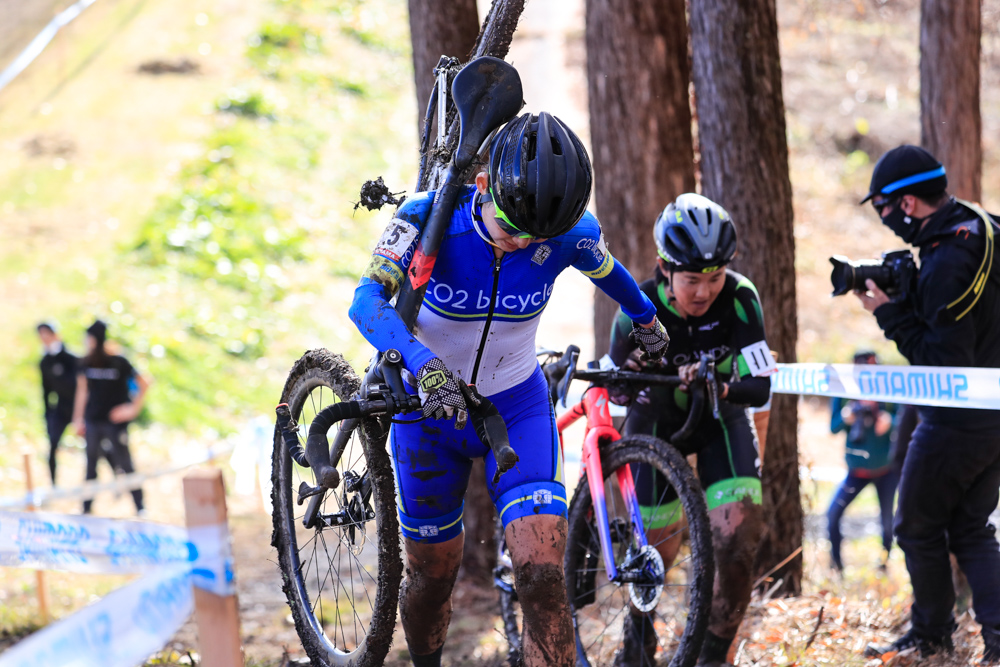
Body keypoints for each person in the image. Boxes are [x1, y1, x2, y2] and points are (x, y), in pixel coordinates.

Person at [348, 112, 668, 667]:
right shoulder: (426, 219)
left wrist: (646, 316)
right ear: (481, 187)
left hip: (517, 407)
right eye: (513, 227)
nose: (523, 244)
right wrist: (422, 364)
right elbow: (365, 303)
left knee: (543, 578)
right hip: (428, 417)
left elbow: (608, 271)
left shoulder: (570, 231)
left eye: (538, 237)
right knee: (430, 578)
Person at [608, 193, 773, 667]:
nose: (704, 292)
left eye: (715, 277)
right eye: (692, 280)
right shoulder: (636, 307)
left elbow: (759, 388)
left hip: (719, 422)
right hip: (655, 428)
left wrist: (719, 383)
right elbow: (615, 394)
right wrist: (632, 371)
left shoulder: (740, 298)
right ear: (664, 268)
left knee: (739, 545)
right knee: (653, 556)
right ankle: (639, 639)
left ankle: (712, 655)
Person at [854, 145, 1000, 664]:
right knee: (969, 528)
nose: (889, 222)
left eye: (885, 210)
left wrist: (888, 313)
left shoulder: (947, 260)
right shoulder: (982, 224)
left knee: (915, 526)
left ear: (909, 203)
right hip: (994, 410)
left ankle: (933, 636)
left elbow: (942, 360)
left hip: (958, 418)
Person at [826, 350, 898, 573]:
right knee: (832, 514)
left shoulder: (889, 391)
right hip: (856, 470)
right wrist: (847, 416)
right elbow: (833, 427)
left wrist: (890, 422)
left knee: (888, 523)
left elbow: (906, 418)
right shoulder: (845, 391)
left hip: (886, 469)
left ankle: (883, 566)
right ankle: (836, 565)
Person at [72, 320, 152, 516]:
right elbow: (83, 391)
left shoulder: (119, 361)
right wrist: (78, 418)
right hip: (93, 421)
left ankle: (140, 508)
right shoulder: (86, 362)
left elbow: (144, 382)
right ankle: (86, 509)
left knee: (126, 464)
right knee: (91, 466)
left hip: (115, 424)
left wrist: (132, 409)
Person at [37, 321, 77, 486]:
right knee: (52, 445)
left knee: (98, 446)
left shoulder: (71, 358)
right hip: (60, 409)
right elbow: (46, 390)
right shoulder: (45, 361)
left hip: (78, 407)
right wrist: (48, 413)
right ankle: (53, 485)